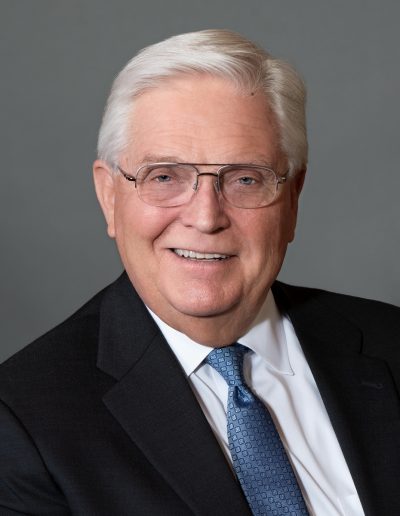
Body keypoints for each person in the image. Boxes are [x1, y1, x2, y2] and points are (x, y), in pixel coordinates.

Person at [0, 29, 399, 516]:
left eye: (245, 178)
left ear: (293, 198)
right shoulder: (23, 421)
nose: (206, 217)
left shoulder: (390, 343)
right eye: (165, 176)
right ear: (109, 196)